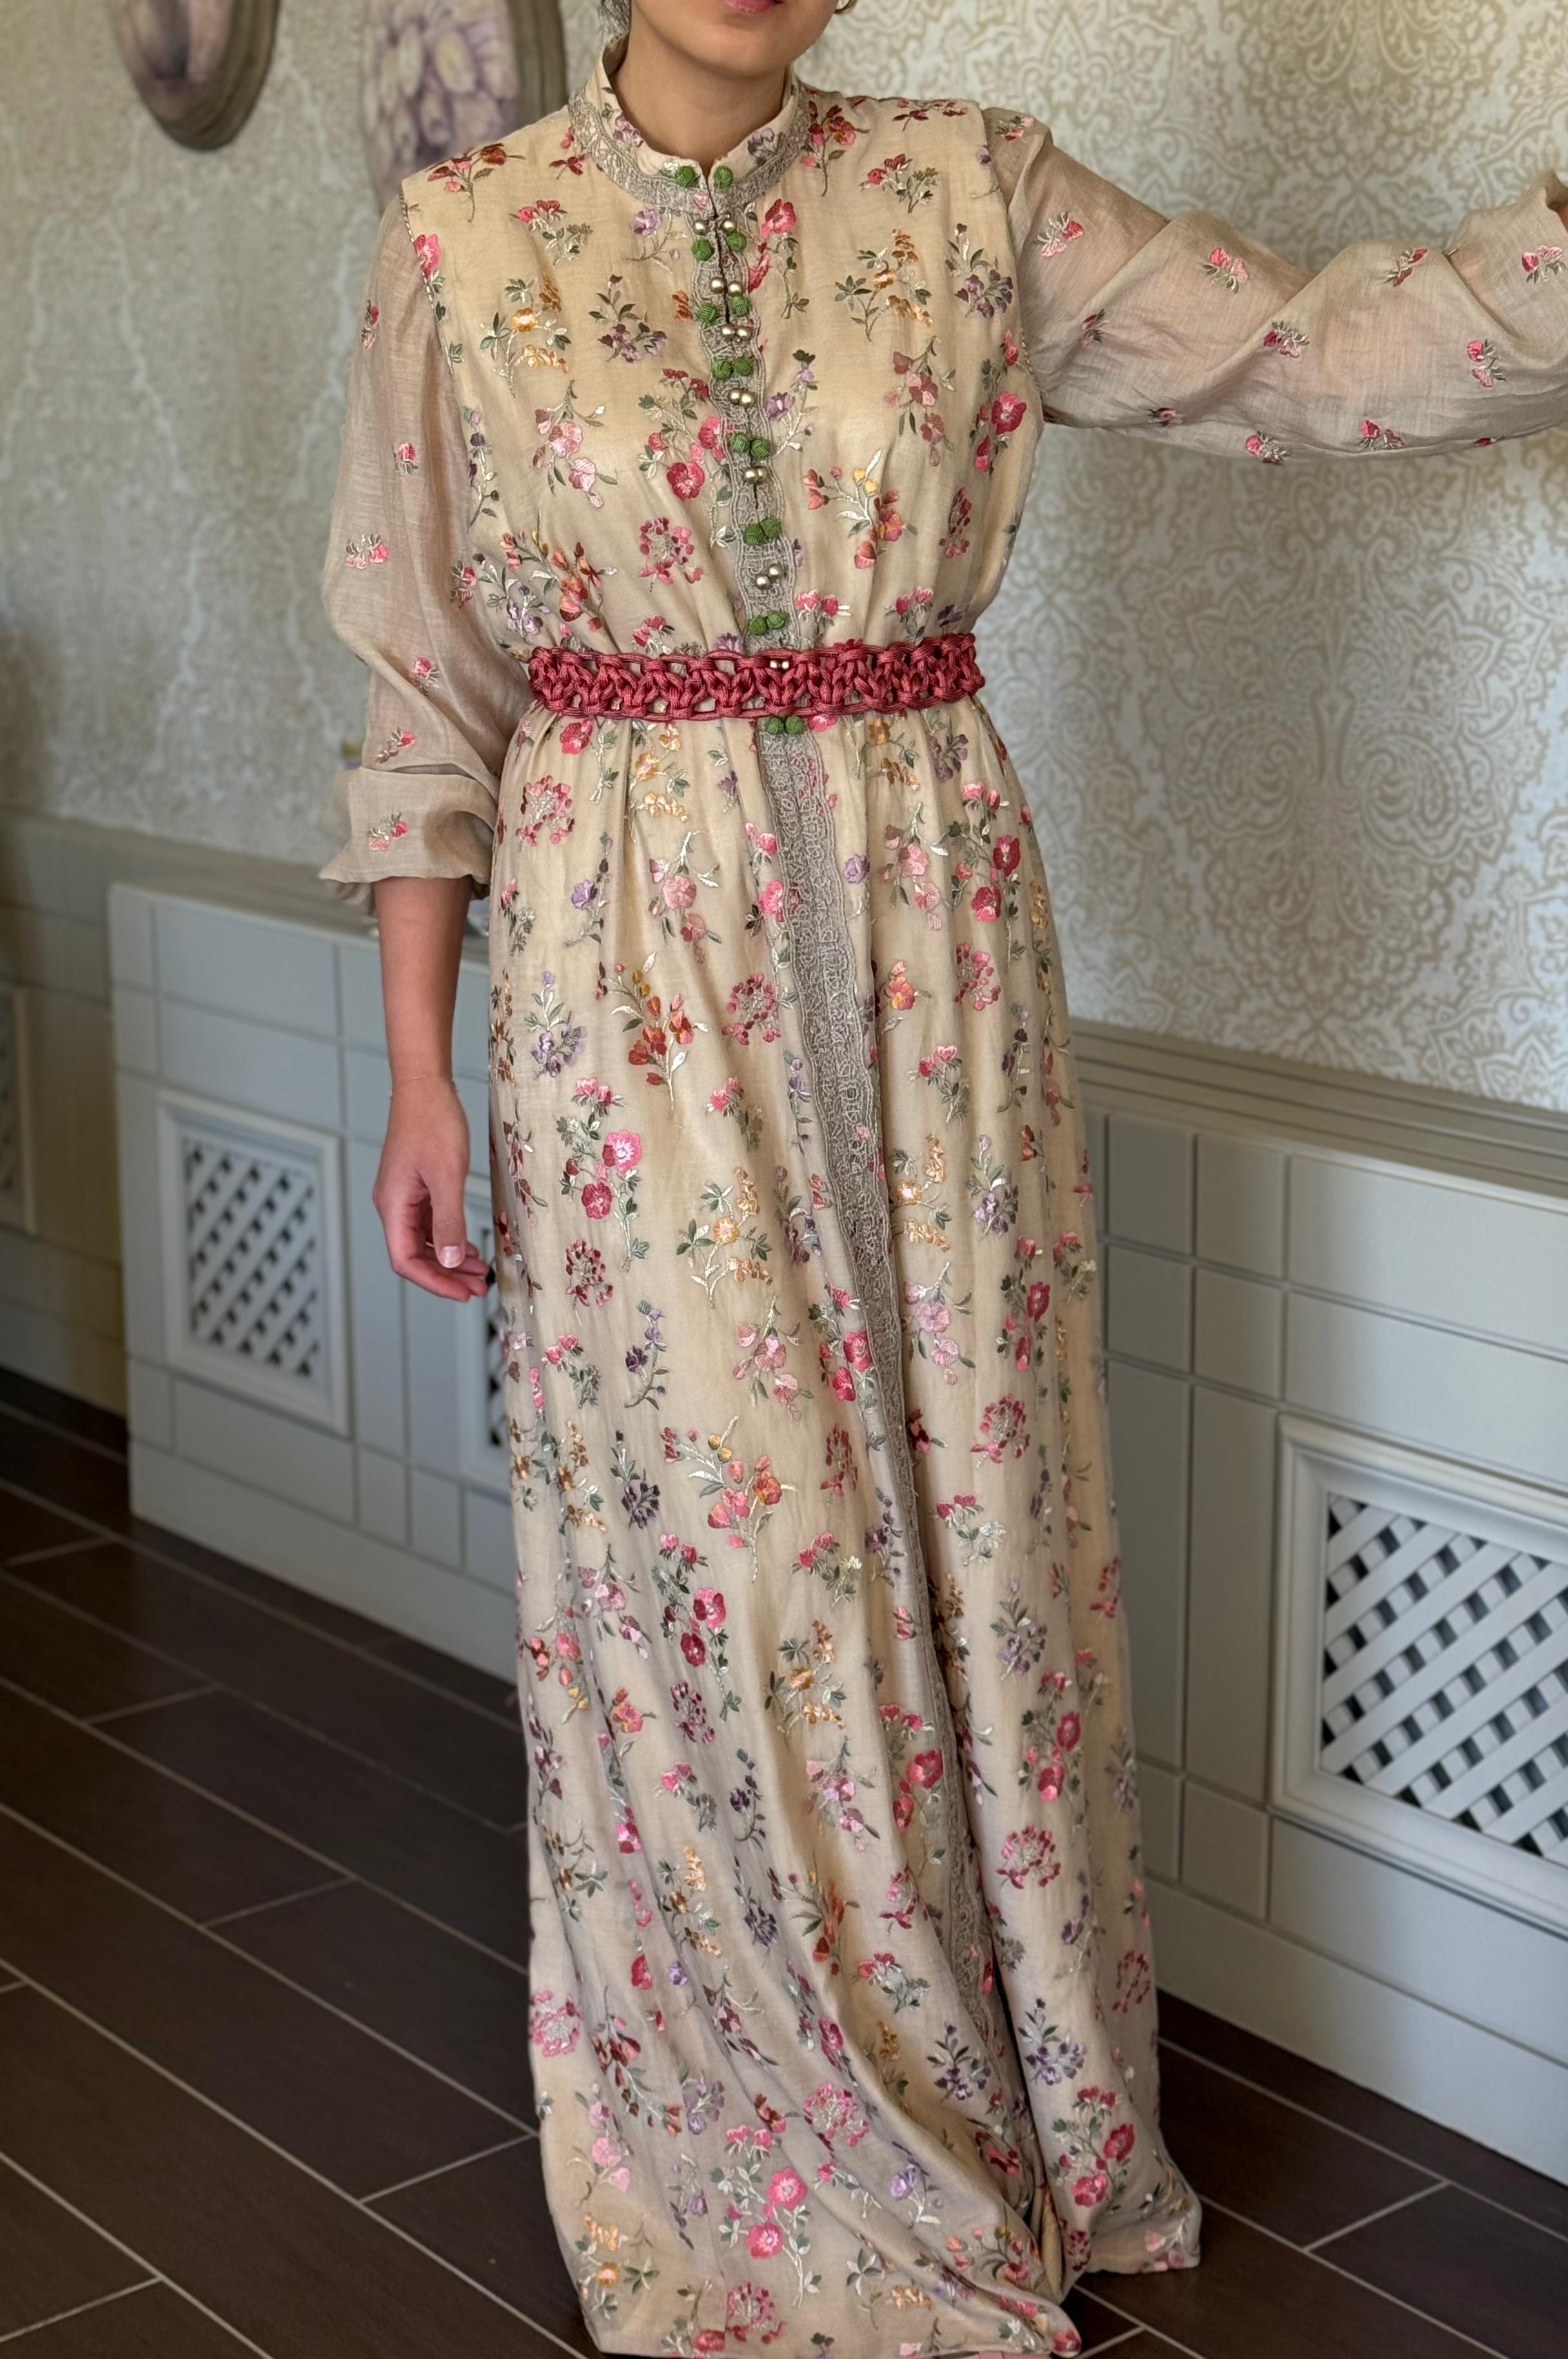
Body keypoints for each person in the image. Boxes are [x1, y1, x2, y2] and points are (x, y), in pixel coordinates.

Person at [318, 2, 1568, 2349]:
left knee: (976, 1521)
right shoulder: (465, 239)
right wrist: (418, 1057)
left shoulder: (976, 189)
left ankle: (1018, 2111)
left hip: (931, 947)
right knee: (732, 1537)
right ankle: (780, 2143)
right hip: (623, 970)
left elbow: (1297, 356)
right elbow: (423, 678)